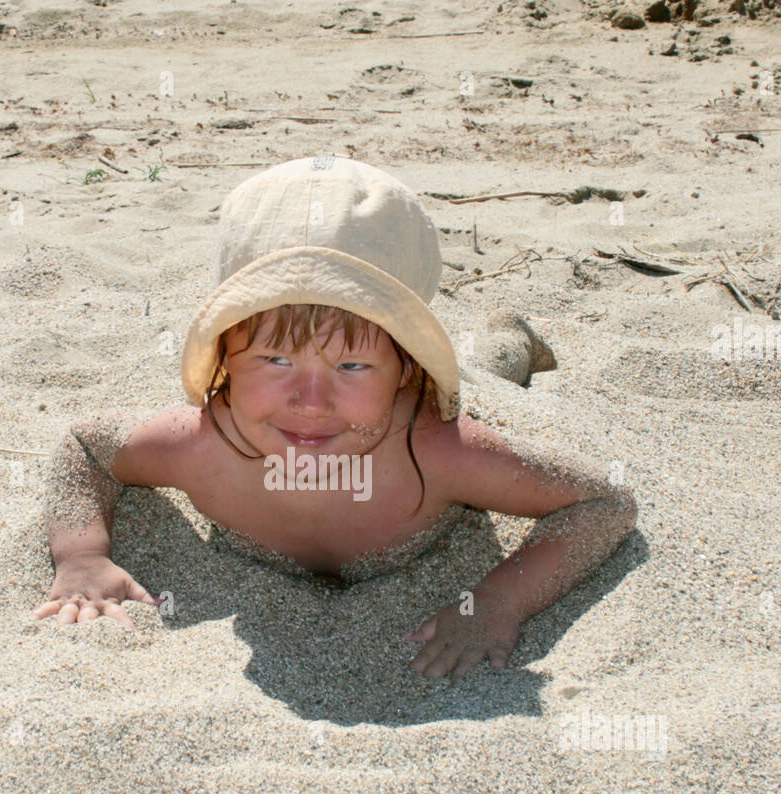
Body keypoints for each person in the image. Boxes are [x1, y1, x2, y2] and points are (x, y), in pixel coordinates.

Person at [33, 156, 637, 680]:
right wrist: (83, 555)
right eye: (273, 358)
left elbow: (603, 503)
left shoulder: (437, 449)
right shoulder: (201, 445)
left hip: (440, 410)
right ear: (224, 360)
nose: (311, 401)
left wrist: (498, 601)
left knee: (496, 376)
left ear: (407, 369)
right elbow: (86, 446)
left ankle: (511, 339)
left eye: (350, 365)